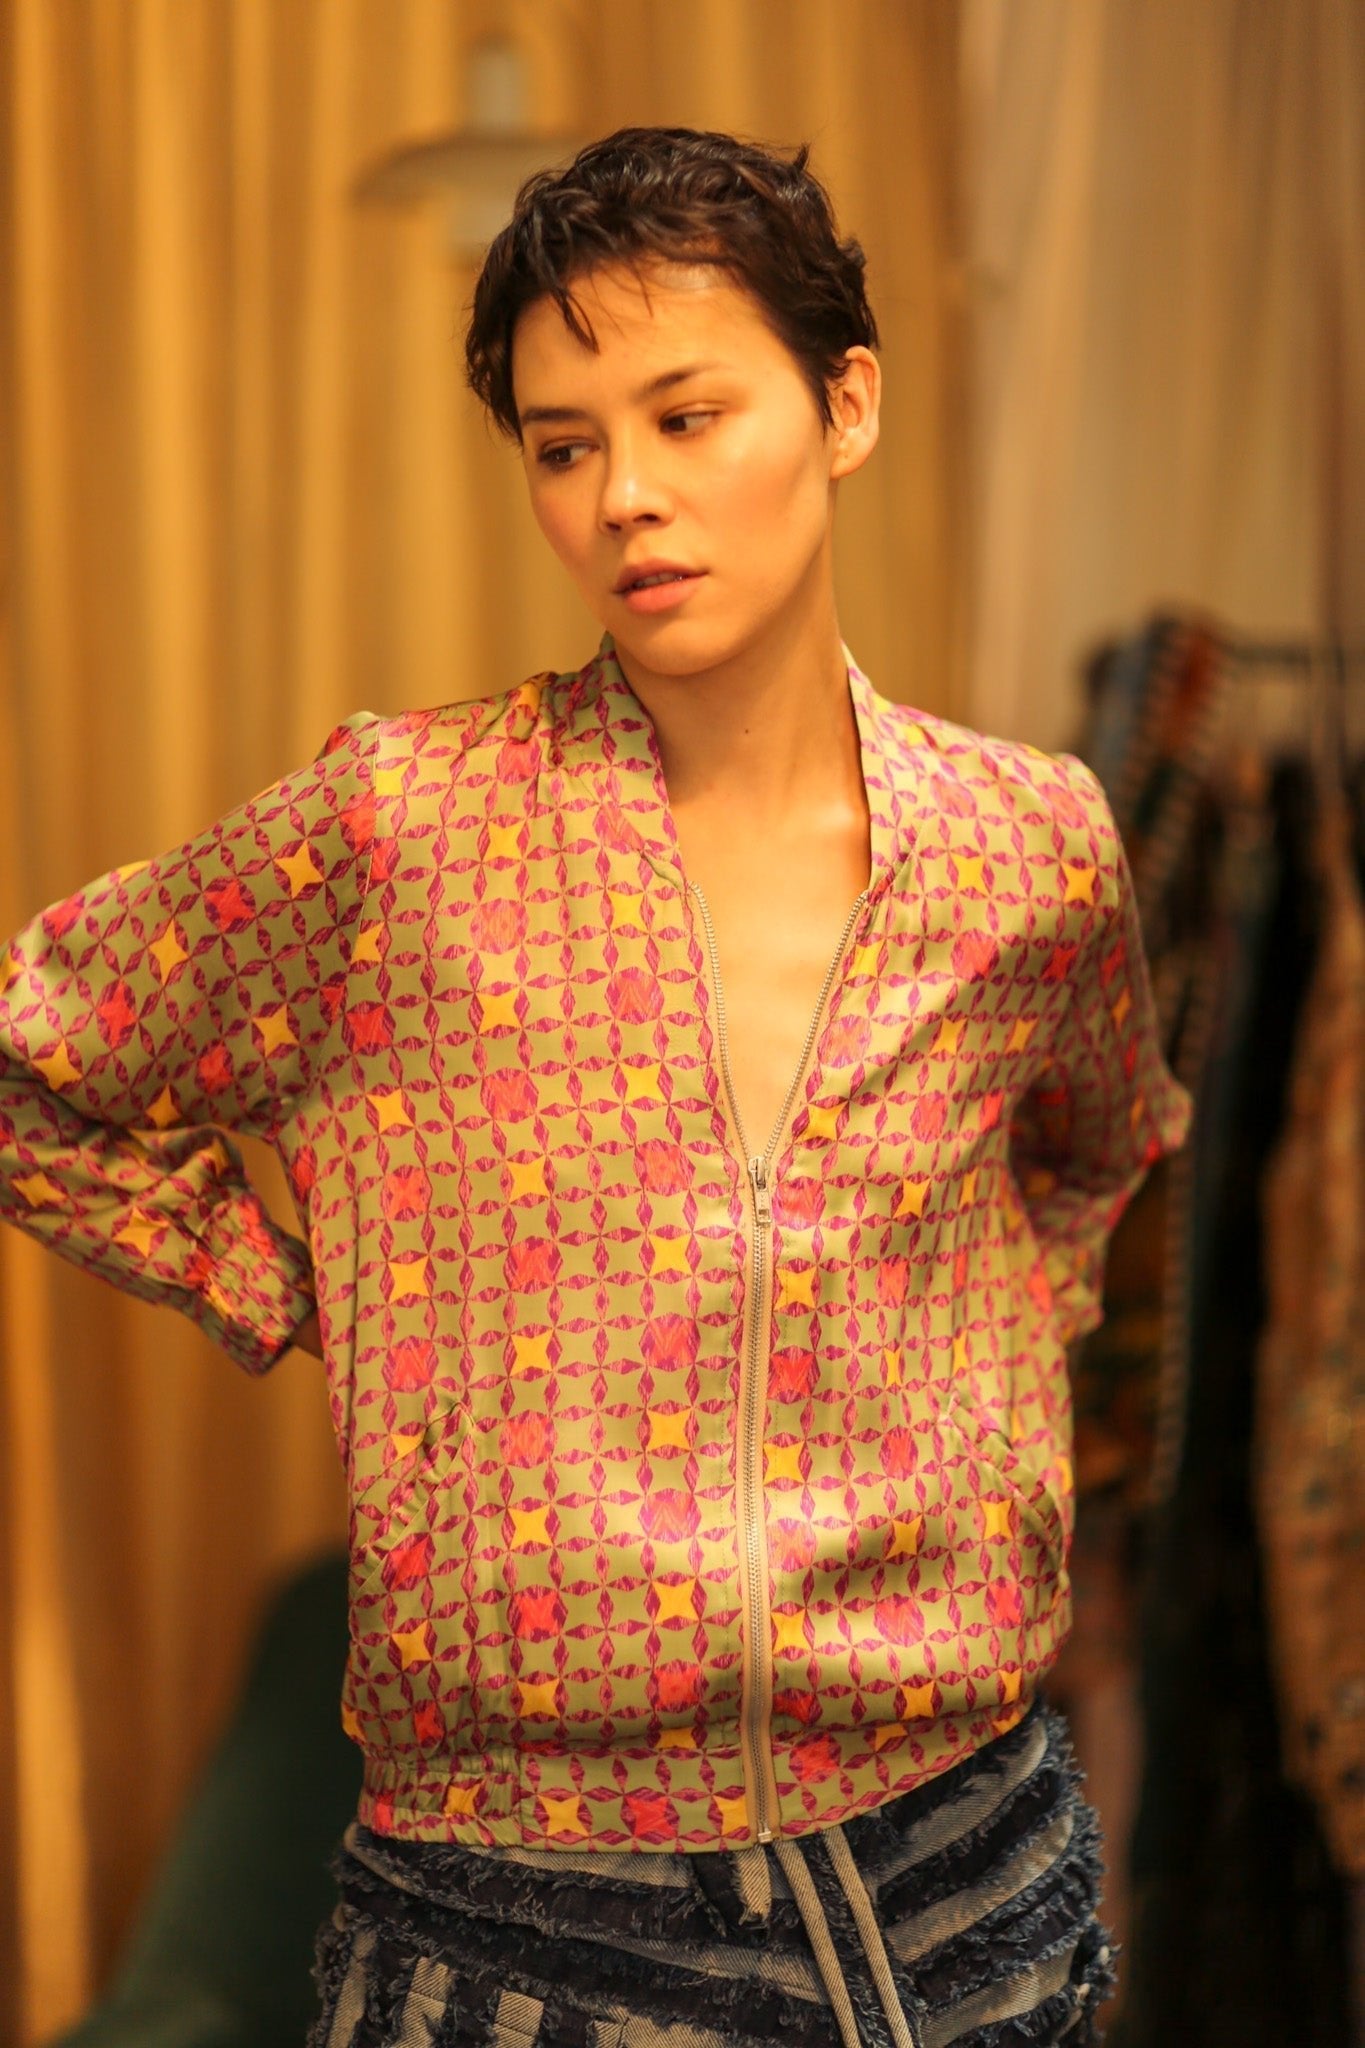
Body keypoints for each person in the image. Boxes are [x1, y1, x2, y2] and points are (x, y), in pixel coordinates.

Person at [0, 126, 1191, 2047]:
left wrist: (975, 1383)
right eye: (564, 448)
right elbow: (29, 1059)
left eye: (685, 416)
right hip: (522, 1915)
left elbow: (1102, 1140)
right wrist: (286, 1285)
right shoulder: (400, 836)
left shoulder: (1026, 847)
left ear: (846, 405)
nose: (626, 495)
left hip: (969, 1877)